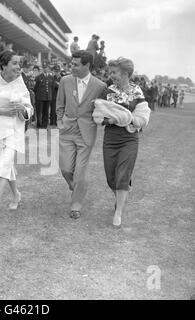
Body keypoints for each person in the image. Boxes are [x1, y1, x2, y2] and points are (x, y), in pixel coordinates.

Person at [0, 50, 33, 225]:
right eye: (15, 63)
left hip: (15, 131)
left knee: (3, 166)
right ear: (4, 65)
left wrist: (23, 110)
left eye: (19, 63)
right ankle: (16, 194)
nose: (19, 67)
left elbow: (29, 109)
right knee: (6, 164)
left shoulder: (20, 83)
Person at [97, 57, 151, 227]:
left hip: (129, 139)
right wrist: (110, 120)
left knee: (122, 176)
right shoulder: (107, 91)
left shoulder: (137, 92)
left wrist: (125, 118)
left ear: (126, 73)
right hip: (110, 139)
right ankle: (122, 194)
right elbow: (98, 116)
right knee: (111, 177)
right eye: (110, 72)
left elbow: (142, 118)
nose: (111, 75)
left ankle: (118, 211)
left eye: (114, 72)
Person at [56, 50, 107, 219]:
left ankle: (76, 205)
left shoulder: (100, 86)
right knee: (65, 169)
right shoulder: (65, 80)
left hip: (86, 132)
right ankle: (76, 187)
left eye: (76, 65)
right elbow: (59, 104)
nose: (72, 67)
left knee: (80, 172)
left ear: (87, 65)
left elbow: (103, 109)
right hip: (67, 130)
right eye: (71, 63)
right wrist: (59, 121)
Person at [34, 61, 54, 129]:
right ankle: (39, 124)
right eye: (44, 67)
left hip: (48, 97)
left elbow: (53, 87)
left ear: (48, 68)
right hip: (40, 97)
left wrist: (50, 96)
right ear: (42, 68)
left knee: (46, 112)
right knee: (39, 112)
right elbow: (35, 88)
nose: (45, 69)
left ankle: (44, 125)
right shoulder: (38, 77)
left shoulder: (51, 77)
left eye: (46, 67)